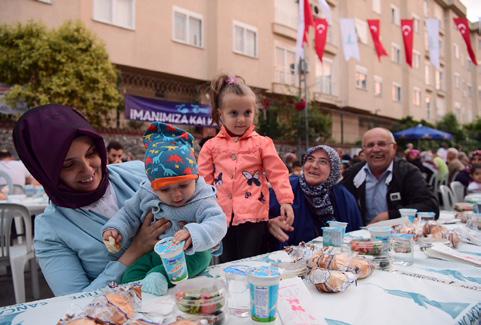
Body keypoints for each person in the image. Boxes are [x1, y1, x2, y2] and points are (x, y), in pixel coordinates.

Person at [13, 104, 172, 296]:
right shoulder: (52, 231)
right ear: (46, 172)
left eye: (91, 153)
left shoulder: (138, 173)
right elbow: (73, 300)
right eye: (68, 164)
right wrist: (135, 251)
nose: (88, 169)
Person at [102, 122, 227, 288]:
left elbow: (218, 222)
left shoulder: (202, 197)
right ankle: (140, 288)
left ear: (195, 178)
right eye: (165, 189)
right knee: (130, 275)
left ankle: (159, 276)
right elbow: (128, 214)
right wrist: (115, 229)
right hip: (157, 251)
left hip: (188, 253)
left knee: (201, 257)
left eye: (183, 185)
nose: (176, 195)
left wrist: (194, 233)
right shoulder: (146, 193)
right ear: (153, 186)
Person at [198, 74, 294, 263]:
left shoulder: (262, 144)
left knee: (250, 262)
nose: (241, 119)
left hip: (253, 217)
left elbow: (278, 173)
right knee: (226, 263)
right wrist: (202, 209)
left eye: (247, 113)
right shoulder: (210, 146)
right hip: (220, 215)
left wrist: (286, 200)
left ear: (254, 113)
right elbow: (203, 180)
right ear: (221, 114)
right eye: (234, 113)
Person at [267, 145, 362, 249]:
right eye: (310, 159)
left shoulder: (343, 197)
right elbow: (257, 220)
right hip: (287, 259)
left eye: (323, 162)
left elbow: (356, 237)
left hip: (333, 260)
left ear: (333, 169)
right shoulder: (286, 189)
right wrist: (268, 224)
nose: (314, 165)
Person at [342, 128, 439, 225]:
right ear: (363, 150)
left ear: (394, 148)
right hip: (359, 237)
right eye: (370, 145)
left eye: (382, 144)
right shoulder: (352, 174)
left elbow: (431, 207)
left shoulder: (407, 172)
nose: (376, 149)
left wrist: (390, 216)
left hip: (400, 236)